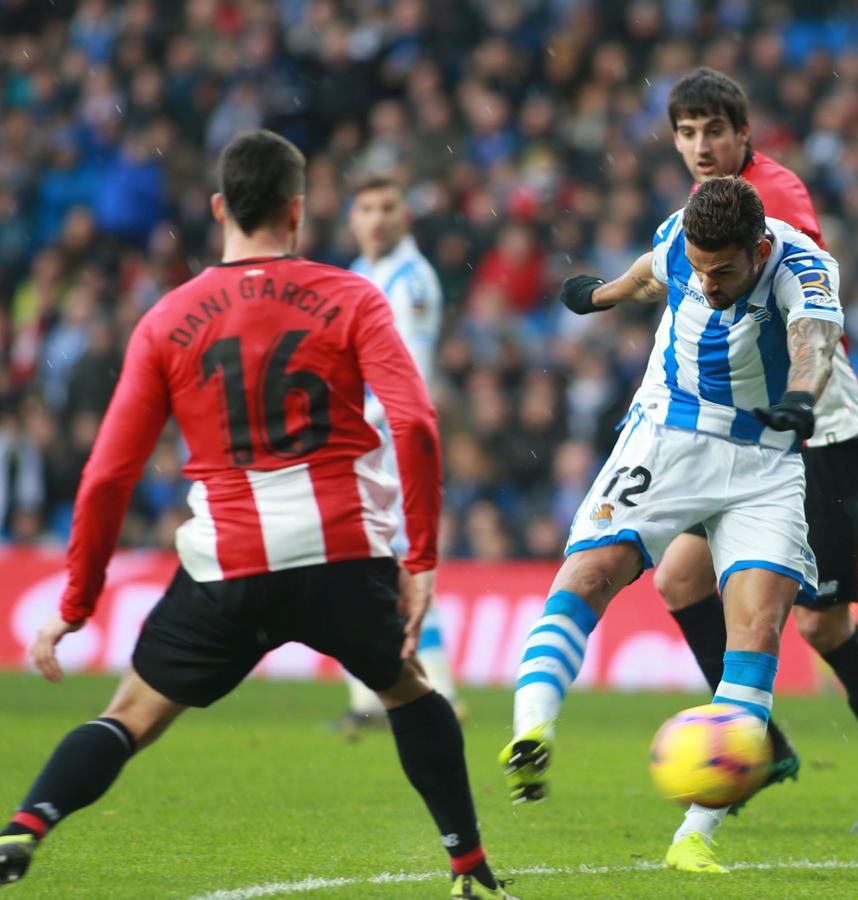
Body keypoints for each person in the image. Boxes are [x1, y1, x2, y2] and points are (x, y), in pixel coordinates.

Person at [0, 131, 516, 900]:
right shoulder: (352, 295)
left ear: (219, 208)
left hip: (226, 565)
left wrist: (75, 604)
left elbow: (108, 473)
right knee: (410, 691)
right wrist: (421, 562)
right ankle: (469, 867)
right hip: (341, 553)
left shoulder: (167, 320)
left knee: (130, 716)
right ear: (297, 211)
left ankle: (27, 824)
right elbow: (415, 425)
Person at [502, 175, 842, 875]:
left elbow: (813, 343)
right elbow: (644, 275)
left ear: (759, 247)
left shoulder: (804, 267)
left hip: (767, 460)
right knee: (591, 572)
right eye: (700, 267)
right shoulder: (681, 239)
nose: (708, 285)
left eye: (723, 272)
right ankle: (530, 731)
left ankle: (696, 833)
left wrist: (802, 400)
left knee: (758, 628)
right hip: (671, 433)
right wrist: (596, 296)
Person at [655, 67, 858, 831]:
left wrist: (796, 384)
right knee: (679, 582)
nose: (702, 145)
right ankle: (759, 745)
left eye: (715, 129)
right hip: (739, 436)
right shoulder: (701, 210)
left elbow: (812, 298)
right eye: (687, 132)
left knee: (820, 625)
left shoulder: (773, 198)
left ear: (745, 134)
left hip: (818, 434)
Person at [341, 173, 466, 730]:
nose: (375, 218)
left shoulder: (411, 281)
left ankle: (437, 690)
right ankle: (375, 696)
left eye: (386, 207)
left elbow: (407, 377)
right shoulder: (360, 275)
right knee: (356, 564)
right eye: (365, 208)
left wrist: (354, 426)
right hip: (361, 439)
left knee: (392, 561)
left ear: (404, 216)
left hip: (386, 441)